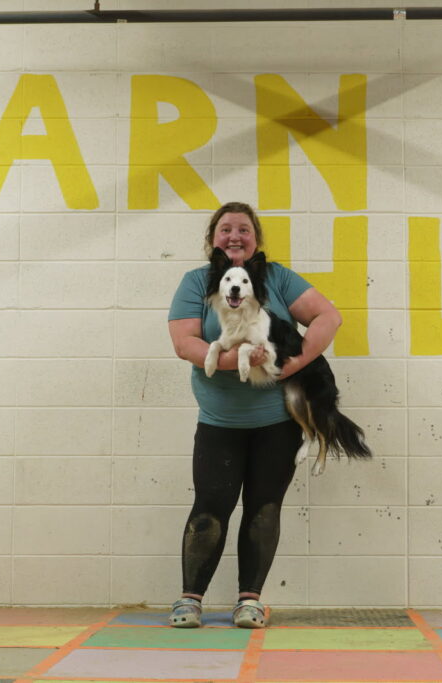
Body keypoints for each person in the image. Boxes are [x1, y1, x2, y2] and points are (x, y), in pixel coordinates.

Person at [166, 201, 342, 628]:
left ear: (256, 240)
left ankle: (250, 601)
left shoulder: (278, 277)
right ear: (213, 240)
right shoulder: (196, 282)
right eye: (225, 229)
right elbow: (185, 343)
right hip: (219, 422)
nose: (235, 236)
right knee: (210, 508)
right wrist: (232, 362)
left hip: (276, 424)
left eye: (244, 229)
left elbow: (329, 316)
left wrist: (291, 365)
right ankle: (189, 600)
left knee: (264, 508)